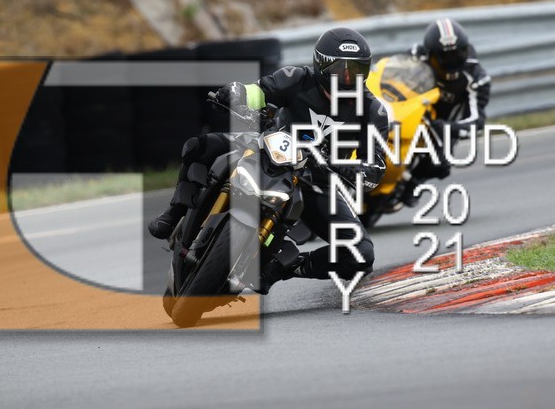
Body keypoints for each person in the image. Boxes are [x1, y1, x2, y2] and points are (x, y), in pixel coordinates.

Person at [148, 28, 390, 293]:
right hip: (267, 147)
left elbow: (375, 169)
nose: (348, 78)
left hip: (316, 180)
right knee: (199, 147)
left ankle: (283, 267)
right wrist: (235, 92)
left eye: (356, 70)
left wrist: (335, 164)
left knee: (361, 254)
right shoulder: (296, 78)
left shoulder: (373, 111)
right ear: (321, 65)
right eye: (340, 70)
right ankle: (175, 212)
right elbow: (257, 92)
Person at [400, 17, 491, 207]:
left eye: (457, 54)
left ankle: (413, 182)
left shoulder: (476, 77)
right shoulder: (416, 55)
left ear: (465, 50)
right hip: (410, 109)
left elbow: (476, 120)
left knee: (440, 164)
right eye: (444, 56)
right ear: (431, 54)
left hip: (443, 123)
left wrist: (449, 127)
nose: (452, 61)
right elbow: (389, 76)